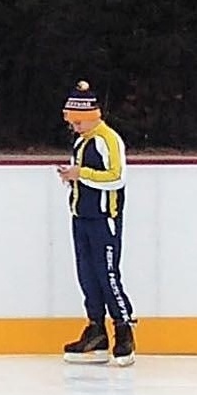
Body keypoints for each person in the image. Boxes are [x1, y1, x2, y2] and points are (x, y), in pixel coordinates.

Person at [58, 81, 136, 364]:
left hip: (104, 219)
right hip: (81, 217)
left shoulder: (108, 140)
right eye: (72, 121)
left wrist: (82, 174)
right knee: (87, 275)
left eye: (79, 121)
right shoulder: (82, 141)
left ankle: (123, 330)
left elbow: (117, 177)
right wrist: (71, 178)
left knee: (107, 274)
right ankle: (96, 330)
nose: (75, 126)